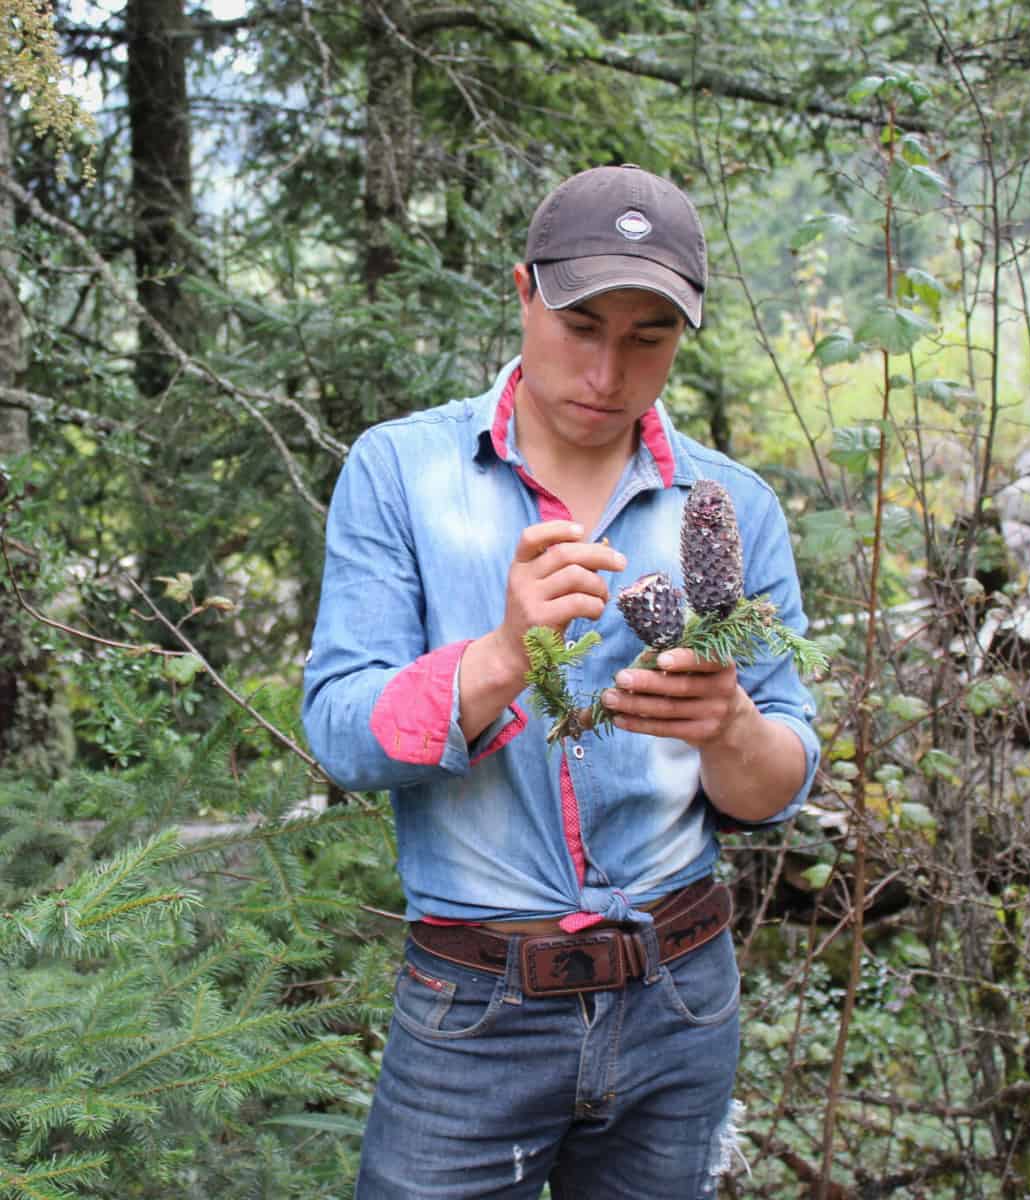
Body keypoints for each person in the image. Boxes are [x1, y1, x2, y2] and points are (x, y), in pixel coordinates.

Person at [302, 163, 821, 1199]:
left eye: (648, 337)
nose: (608, 369)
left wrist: (728, 727)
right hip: (473, 1007)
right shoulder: (402, 473)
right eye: (582, 323)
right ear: (522, 292)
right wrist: (500, 656)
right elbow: (340, 734)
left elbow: (779, 781)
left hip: (681, 999)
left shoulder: (731, 508)